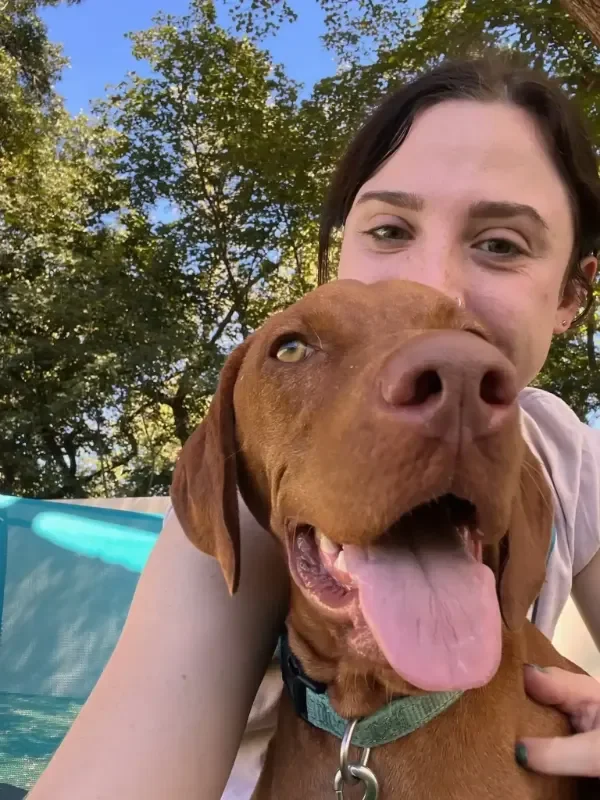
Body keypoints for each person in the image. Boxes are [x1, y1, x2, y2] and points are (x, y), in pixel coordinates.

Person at [29, 57, 600, 800]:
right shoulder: (258, 454)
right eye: (391, 228)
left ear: (571, 298)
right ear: (340, 251)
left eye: (501, 245)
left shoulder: (559, 451)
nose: (429, 287)